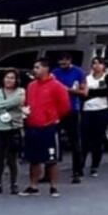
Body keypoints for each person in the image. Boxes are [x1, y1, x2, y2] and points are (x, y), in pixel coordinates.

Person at [21, 59, 71, 197]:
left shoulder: (57, 86)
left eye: (37, 67)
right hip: (32, 125)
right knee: (33, 158)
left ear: (45, 68)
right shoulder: (31, 86)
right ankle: (33, 186)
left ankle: (54, 186)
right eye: (34, 67)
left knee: (51, 158)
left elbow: (65, 107)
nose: (34, 70)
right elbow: (26, 103)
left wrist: (52, 117)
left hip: (48, 127)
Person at [0, 70, 25, 194]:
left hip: (13, 128)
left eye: (12, 78)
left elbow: (15, 102)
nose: (9, 80)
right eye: (7, 77)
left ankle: (14, 184)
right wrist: (3, 106)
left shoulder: (20, 92)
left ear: (16, 80)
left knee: (12, 158)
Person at [52, 53, 87, 184]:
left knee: (75, 141)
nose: (62, 64)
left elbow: (83, 92)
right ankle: (49, 172)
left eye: (65, 61)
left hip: (72, 109)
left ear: (69, 60)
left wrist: (67, 90)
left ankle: (77, 171)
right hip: (57, 110)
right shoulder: (55, 73)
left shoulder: (78, 72)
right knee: (53, 141)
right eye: (60, 61)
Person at [81, 57, 108, 178]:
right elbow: (83, 94)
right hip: (87, 110)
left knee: (98, 140)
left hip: (102, 110)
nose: (96, 66)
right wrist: (96, 92)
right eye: (94, 63)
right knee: (84, 140)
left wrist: (92, 92)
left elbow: (106, 92)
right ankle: (80, 165)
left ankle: (94, 166)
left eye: (99, 64)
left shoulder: (106, 78)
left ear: (103, 66)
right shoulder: (87, 78)